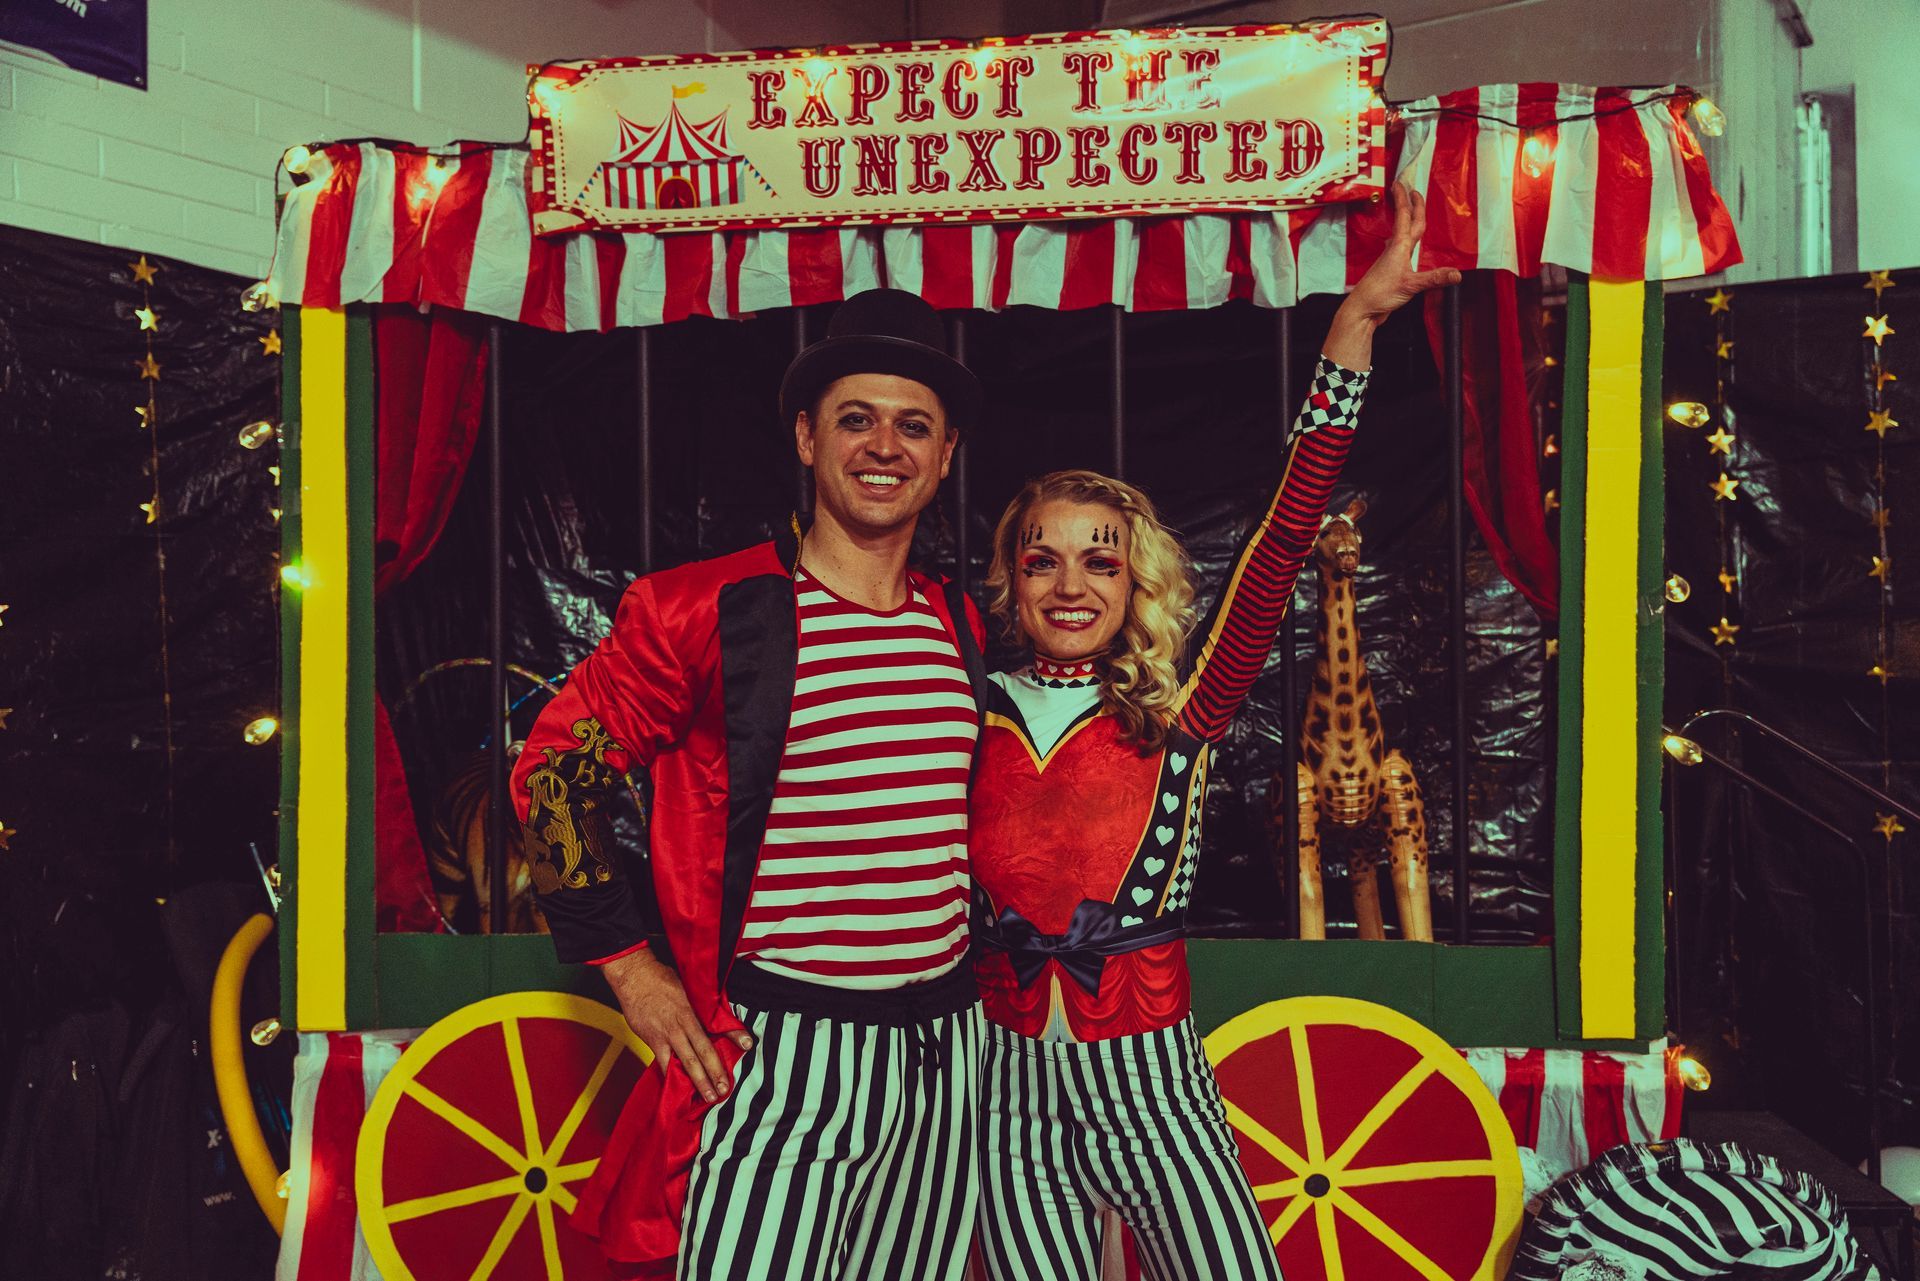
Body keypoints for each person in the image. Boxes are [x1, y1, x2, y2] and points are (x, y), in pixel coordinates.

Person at [969, 183, 1459, 1280]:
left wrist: (1354, 326)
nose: (1069, 581)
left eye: (1100, 558)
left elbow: (1286, 537)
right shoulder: (962, 707)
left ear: (1134, 578)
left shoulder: (1183, 711)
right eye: (1042, 556)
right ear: (1009, 576)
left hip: (1152, 1081)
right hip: (1000, 1089)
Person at [510, 288, 989, 1280]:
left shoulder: (964, 624)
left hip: (949, 1050)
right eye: (856, 419)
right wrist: (630, 972)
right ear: (809, 438)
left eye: (914, 426)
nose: (884, 447)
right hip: (783, 1051)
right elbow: (554, 771)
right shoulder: (698, 610)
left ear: (945, 456)